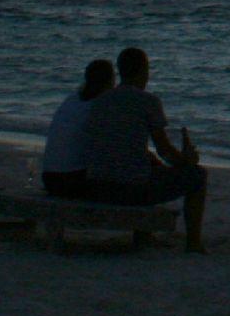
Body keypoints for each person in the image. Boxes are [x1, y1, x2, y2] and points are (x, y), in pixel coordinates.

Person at [80, 46, 207, 251]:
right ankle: (193, 243)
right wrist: (187, 160)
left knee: (145, 166)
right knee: (198, 176)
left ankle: (143, 236)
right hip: (130, 190)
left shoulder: (100, 101)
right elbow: (164, 150)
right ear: (143, 71)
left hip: (97, 186)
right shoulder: (148, 101)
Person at [39, 58, 114, 198]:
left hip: (49, 178)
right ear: (110, 82)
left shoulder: (72, 99)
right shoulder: (100, 106)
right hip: (73, 180)